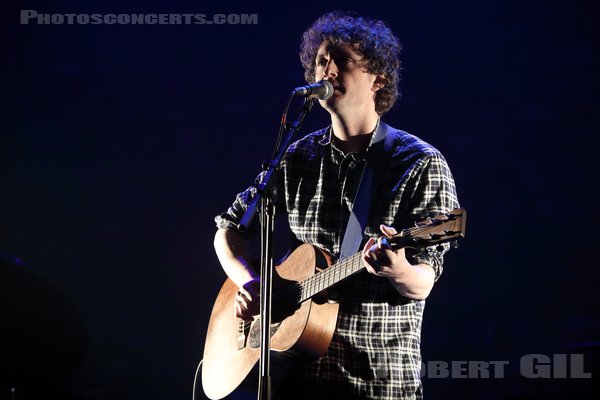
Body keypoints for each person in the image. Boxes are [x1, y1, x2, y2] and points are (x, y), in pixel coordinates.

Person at [213, 11, 459, 400]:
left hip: (376, 380)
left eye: (341, 60)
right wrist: (253, 284)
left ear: (378, 79)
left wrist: (397, 268)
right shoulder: (297, 157)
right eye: (320, 60)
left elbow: (423, 281)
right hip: (296, 380)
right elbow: (227, 230)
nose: (326, 69)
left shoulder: (419, 163)